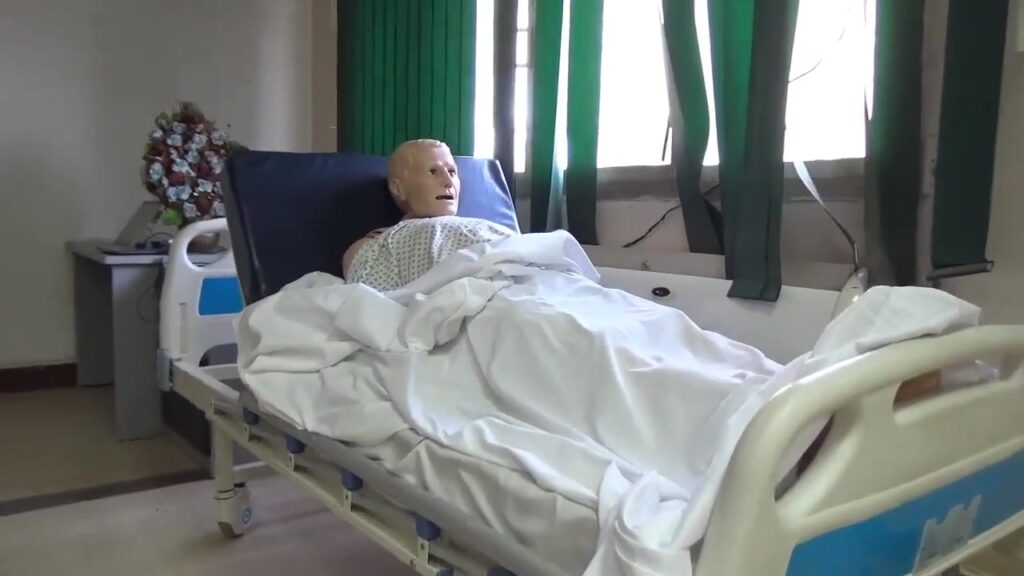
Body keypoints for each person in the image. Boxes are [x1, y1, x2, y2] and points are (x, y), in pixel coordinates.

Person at [342, 139, 517, 291]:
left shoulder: (488, 227)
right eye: (433, 171)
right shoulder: (379, 245)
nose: (448, 182)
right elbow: (366, 297)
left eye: (452, 172)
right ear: (398, 188)